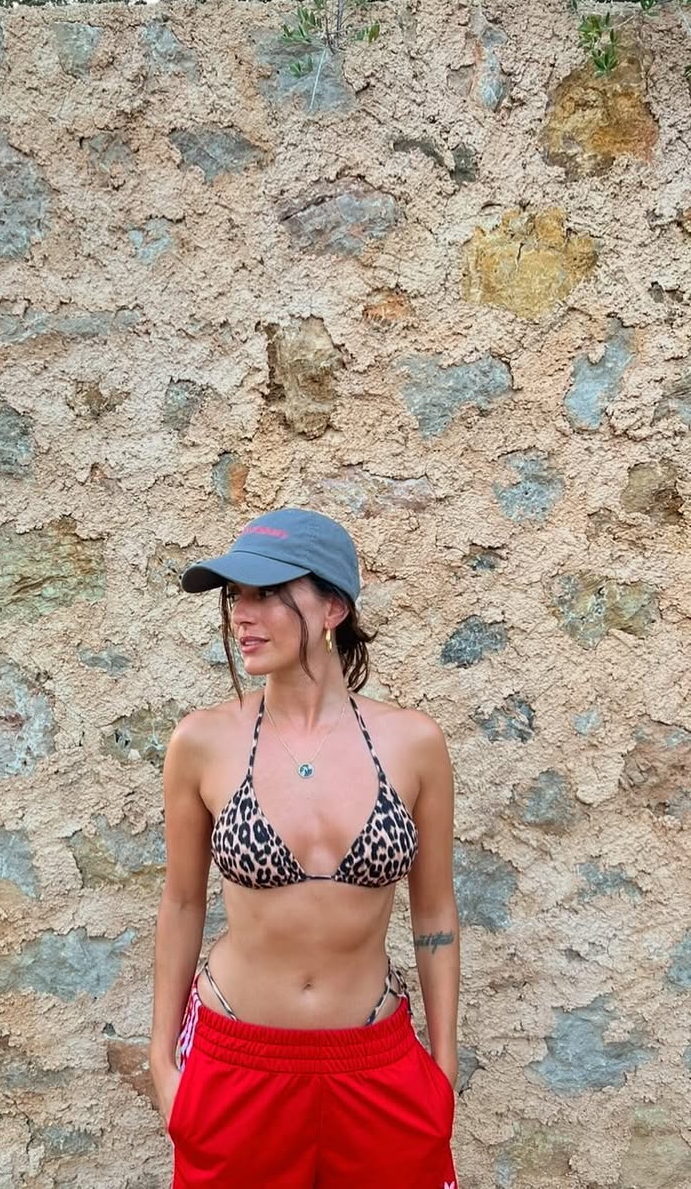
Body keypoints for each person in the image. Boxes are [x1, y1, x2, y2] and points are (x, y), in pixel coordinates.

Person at [150, 508, 460, 1188]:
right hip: (235, 1060)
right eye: (237, 595)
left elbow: (435, 914)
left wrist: (443, 1066)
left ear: (332, 609)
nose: (243, 614)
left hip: (377, 1060)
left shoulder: (413, 743)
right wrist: (163, 1063)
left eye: (267, 593)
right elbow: (181, 904)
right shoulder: (201, 742)